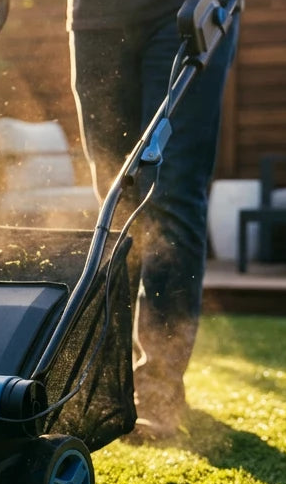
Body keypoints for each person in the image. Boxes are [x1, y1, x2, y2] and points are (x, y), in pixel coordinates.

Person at [67, 0, 240, 439]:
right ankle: (108, 388)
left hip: (183, 10)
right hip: (96, 18)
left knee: (169, 195)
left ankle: (159, 391)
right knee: (116, 204)